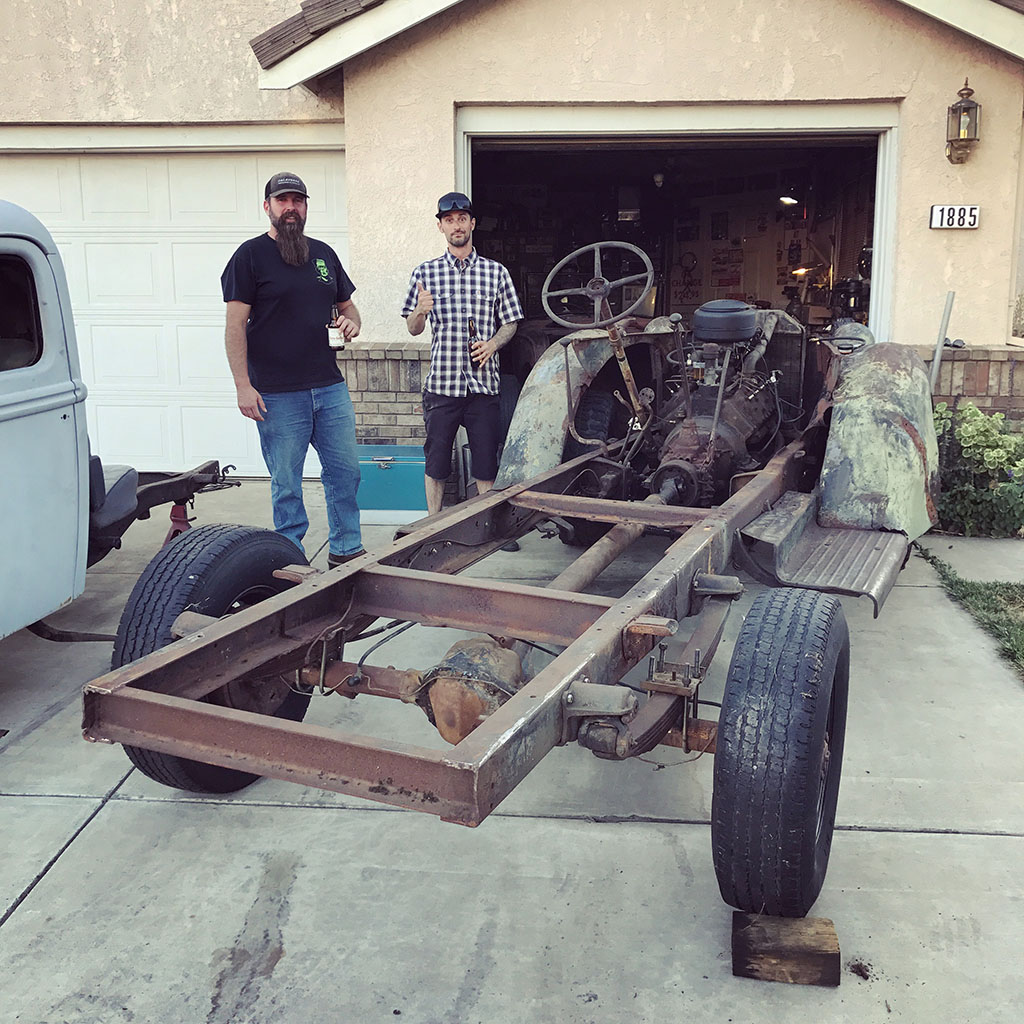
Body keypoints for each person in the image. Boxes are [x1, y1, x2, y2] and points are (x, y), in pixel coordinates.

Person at [221, 171, 364, 568]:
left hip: (329, 387)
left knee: (346, 473)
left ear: (305, 207)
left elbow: (347, 307)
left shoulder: (323, 254)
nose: (290, 208)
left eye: (297, 201)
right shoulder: (249, 256)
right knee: (287, 483)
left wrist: (352, 322)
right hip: (277, 393)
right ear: (267, 207)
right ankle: (290, 560)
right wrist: (242, 386)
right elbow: (235, 327)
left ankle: (347, 550)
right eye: (282, 201)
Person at [402, 191, 524, 518]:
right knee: (437, 462)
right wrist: (419, 312)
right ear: (440, 226)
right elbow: (413, 329)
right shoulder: (424, 273)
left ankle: (489, 525)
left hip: (483, 387)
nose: (456, 225)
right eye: (449, 220)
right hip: (442, 385)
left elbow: (511, 321)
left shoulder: (495, 272)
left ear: (472, 223)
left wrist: (493, 344)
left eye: (461, 219)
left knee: (485, 463)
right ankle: (432, 525)